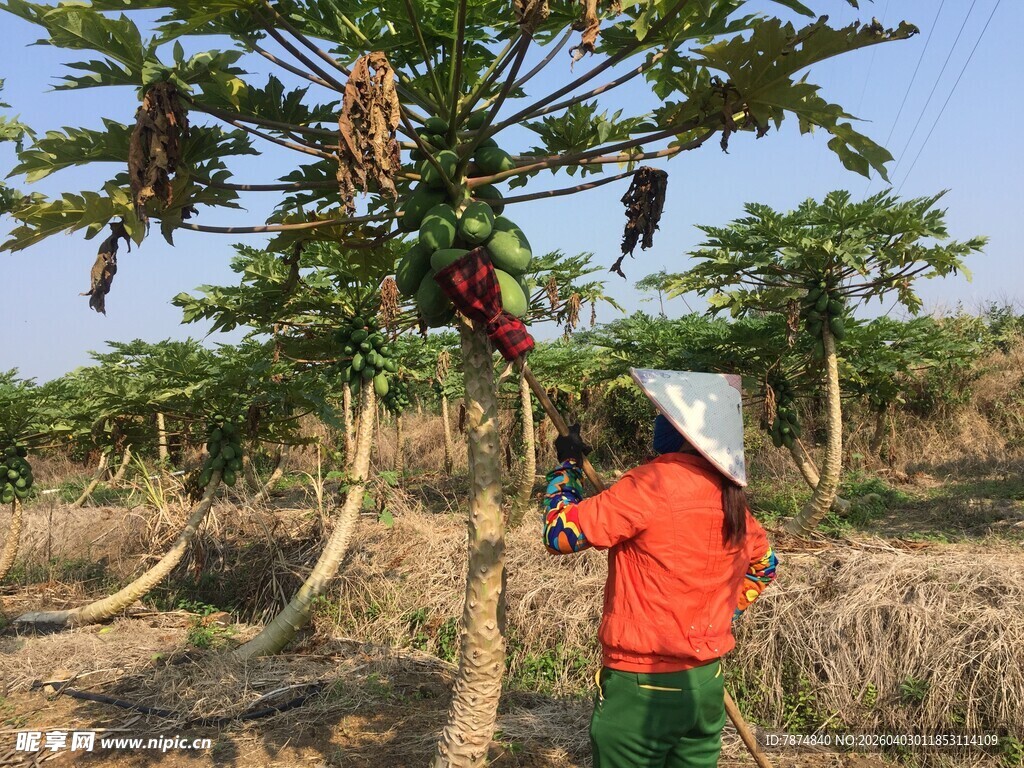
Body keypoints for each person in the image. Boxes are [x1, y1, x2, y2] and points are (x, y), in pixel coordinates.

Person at [540, 372, 777, 768]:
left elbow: (559, 534)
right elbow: (765, 565)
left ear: (680, 431)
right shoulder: (730, 496)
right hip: (705, 686)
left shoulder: (651, 484)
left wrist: (567, 467)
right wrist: (722, 612)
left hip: (644, 688)